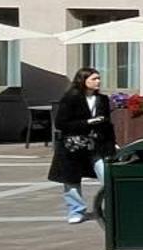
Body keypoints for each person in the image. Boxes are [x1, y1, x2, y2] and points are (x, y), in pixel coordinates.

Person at [48, 67, 114, 223]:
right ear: (83, 81)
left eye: (98, 78)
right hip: (74, 145)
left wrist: (112, 143)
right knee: (71, 179)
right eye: (93, 79)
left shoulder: (102, 99)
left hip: (97, 144)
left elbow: (107, 124)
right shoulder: (70, 98)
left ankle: (113, 208)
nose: (98, 81)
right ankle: (76, 211)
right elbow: (61, 123)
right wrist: (87, 122)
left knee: (107, 175)